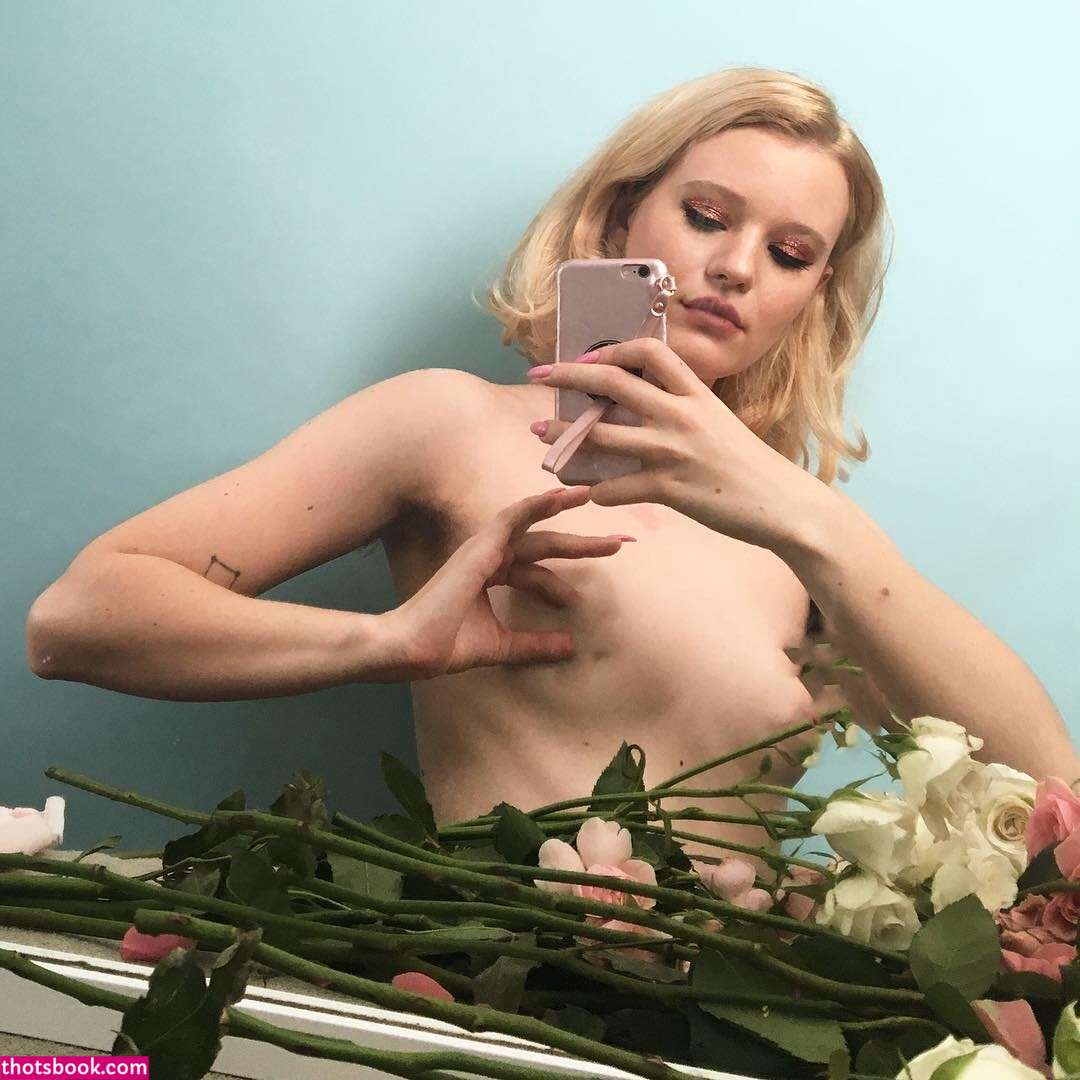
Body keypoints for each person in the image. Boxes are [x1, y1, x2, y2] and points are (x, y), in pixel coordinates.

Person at [25, 67, 1078, 873]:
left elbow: (1051, 795)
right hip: (503, 1007)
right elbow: (76, 619)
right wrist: (383, 642)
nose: (736, 267)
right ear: (621, 217)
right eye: (708, 217)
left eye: (791, 254)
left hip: (739, 1027)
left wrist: (811, 522)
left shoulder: (797, 538)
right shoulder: (448, 424)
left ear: (811, 296)